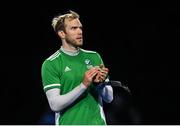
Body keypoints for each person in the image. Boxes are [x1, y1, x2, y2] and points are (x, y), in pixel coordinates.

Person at [41, 10, 113, 125]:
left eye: (80, 28)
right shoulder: (51, 63)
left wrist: (100, 84)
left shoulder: (94, 57)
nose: (80, 32)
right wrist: (83, 85)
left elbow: (109, 98)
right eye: (74, 28)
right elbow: (55, 105)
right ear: (61, 33)